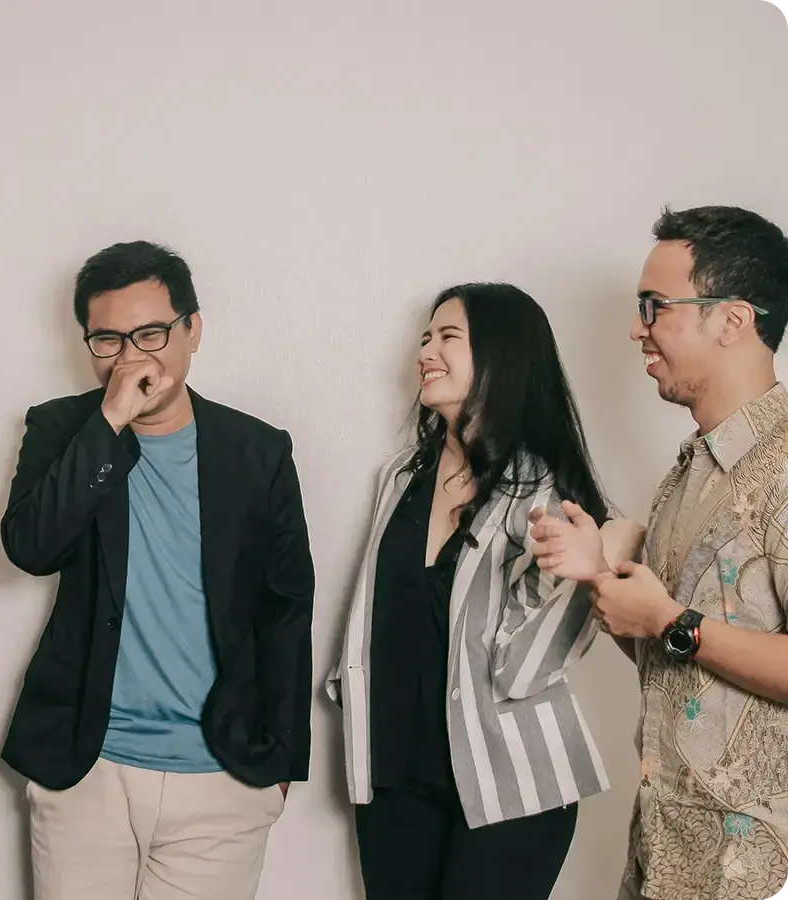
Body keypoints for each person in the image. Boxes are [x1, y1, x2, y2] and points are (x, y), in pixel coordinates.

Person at [0, 240, 314, 900]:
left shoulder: (256, 451)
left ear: (192, 329)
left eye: (150, 333)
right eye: (108, 340)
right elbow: (31, 548)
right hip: (87, 768)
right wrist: (110, 420)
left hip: (220, 774)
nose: (132, 356)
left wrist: (281, 759)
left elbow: (285, 606)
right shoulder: (62, 429)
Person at [327, 283, 645, 900]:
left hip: (511, 786)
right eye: (425, 336)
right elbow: (374, 613)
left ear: (503, 358)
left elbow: (522, 670)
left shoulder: (554, 498)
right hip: (392, 778)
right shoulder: (400, 477)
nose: (426, 351)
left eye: (448, 337)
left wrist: (574, 571)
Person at [530, 206, 788, 900]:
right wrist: (607, 583)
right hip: (662, 861)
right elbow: (674, 667)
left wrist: (673, 620)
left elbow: (680, 631)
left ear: (733, 319)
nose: (636, 328)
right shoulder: (686, 473)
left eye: (655, 305)